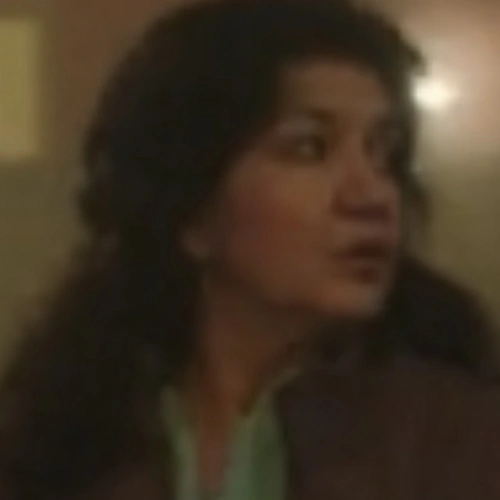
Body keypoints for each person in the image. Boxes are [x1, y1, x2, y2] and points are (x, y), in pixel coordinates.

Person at [1, 0, 500, 499]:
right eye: (309, 148)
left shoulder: (452, 440)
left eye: (383, 154)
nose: (371, 194)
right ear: (192, 212)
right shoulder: (62, 440)